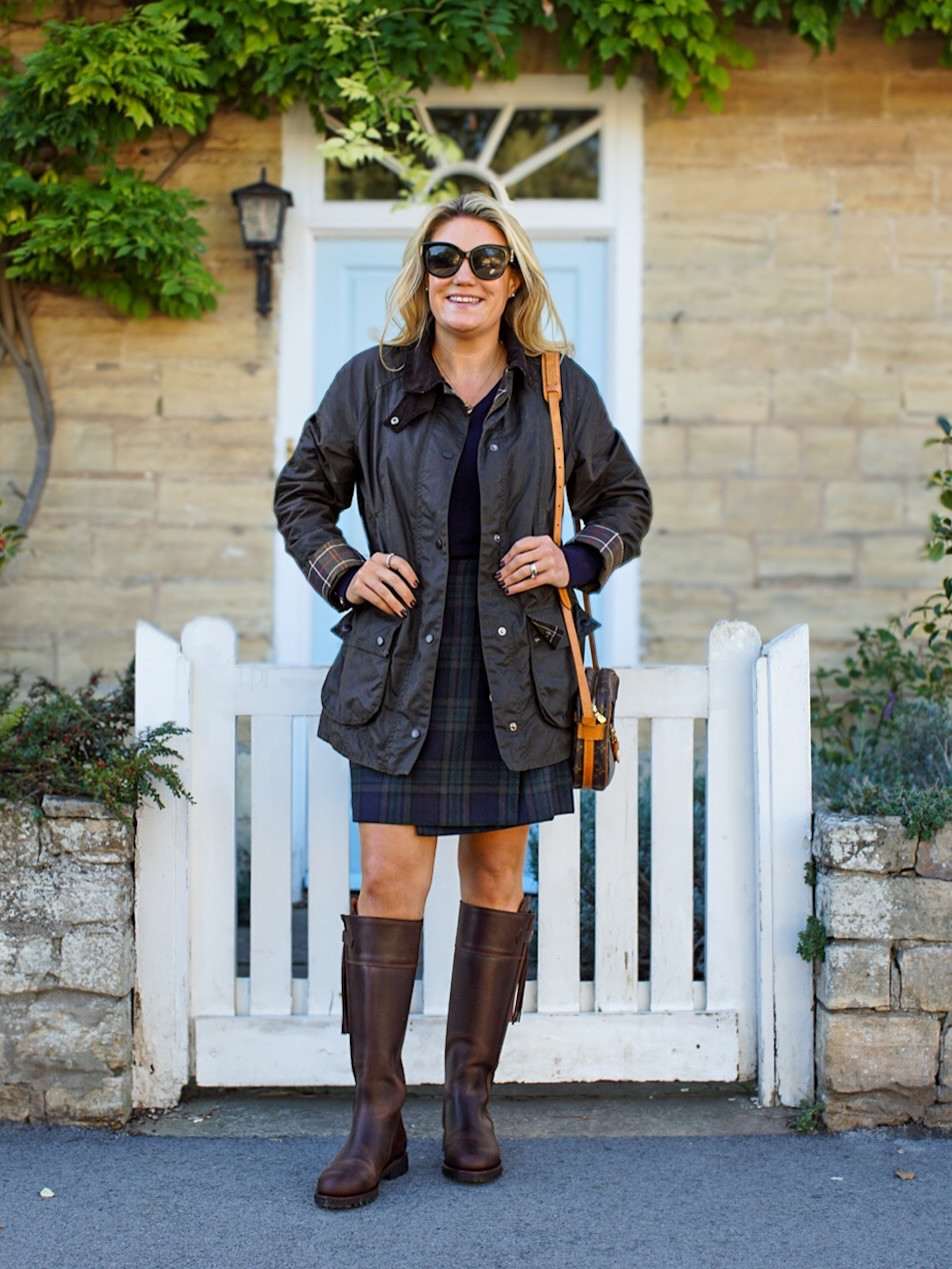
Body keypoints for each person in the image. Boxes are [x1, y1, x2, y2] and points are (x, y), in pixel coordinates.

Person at [274, 192, 652, 1210]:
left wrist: (576, 553)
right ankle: (377, 1119)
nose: (464, 276)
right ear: (423, 274)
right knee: (389, 885)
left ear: (514, 280)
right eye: (444, 258)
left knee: (496, 878)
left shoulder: (557, 393)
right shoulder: (374, 382)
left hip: (515, 672)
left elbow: (627, 501)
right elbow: (300, 491)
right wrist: (341, 568)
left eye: (486, 261)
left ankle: (469, 1103)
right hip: (401, 670)